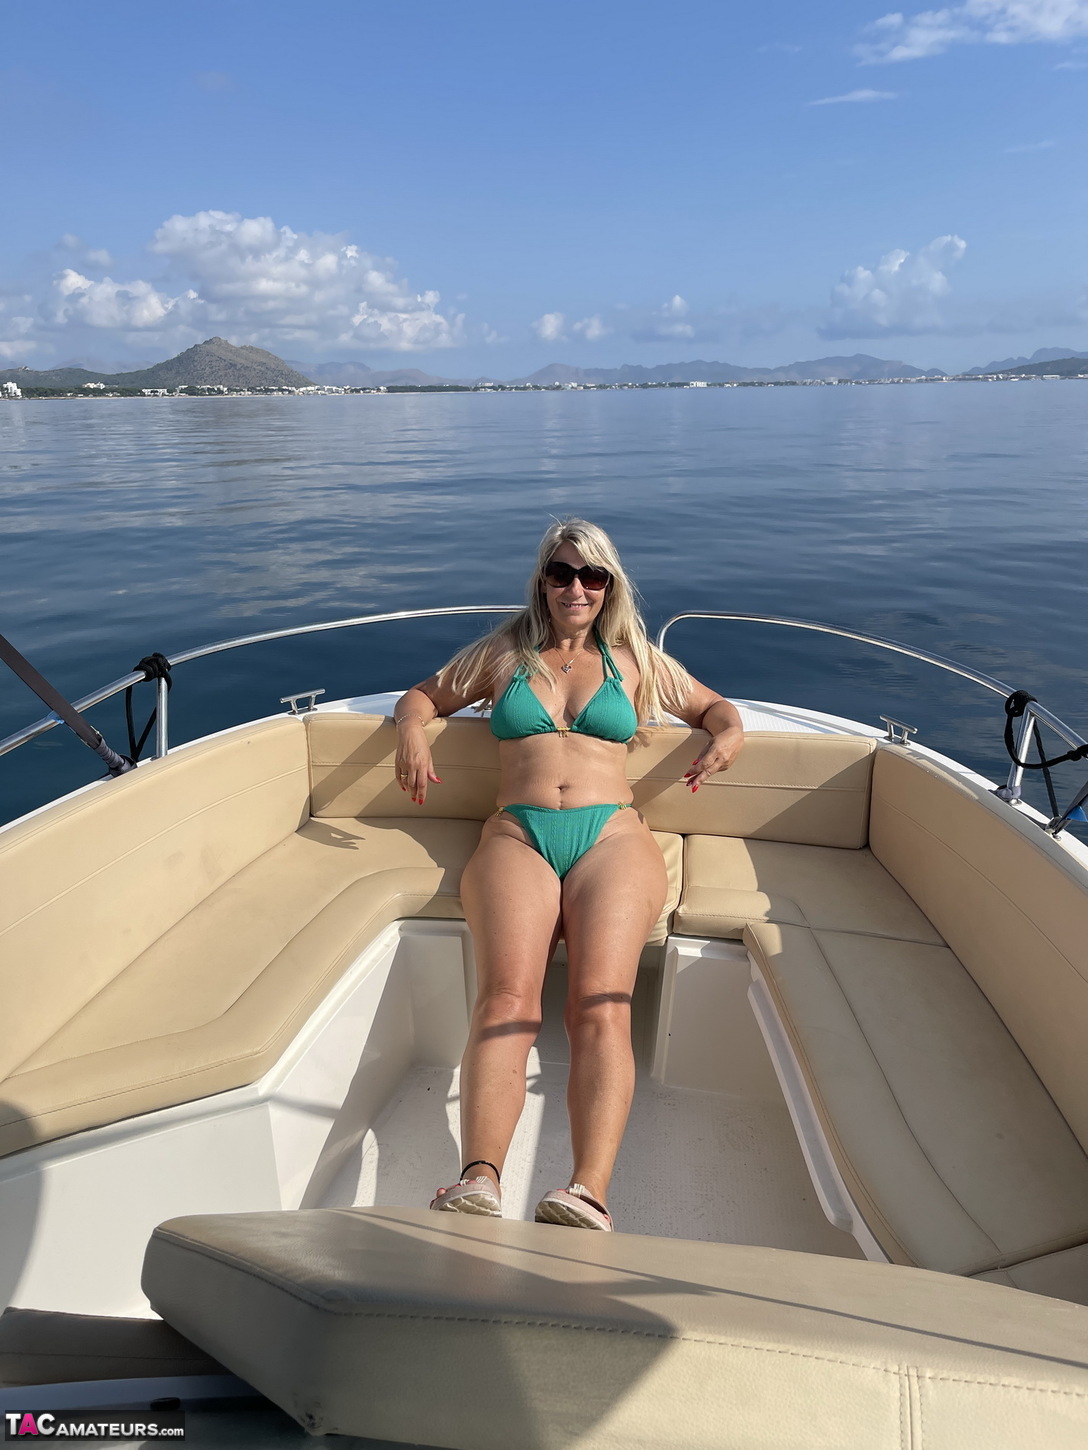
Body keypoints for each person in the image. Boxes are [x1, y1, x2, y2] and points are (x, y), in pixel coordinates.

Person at [393, 519, 744, 1230]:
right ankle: (479, 1178)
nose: (575, 588)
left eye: (591, 576)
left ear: (609, 585)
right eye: (561, 573)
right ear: (542, 581)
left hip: (611, 835)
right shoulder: (503, 654)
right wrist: (410, 731)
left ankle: (588, 1192)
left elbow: (713, 708)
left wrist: (729, 734)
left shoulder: (637, 659)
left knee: (600, 1004)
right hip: (518, 834)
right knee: (506, 1001)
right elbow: (422, 697)